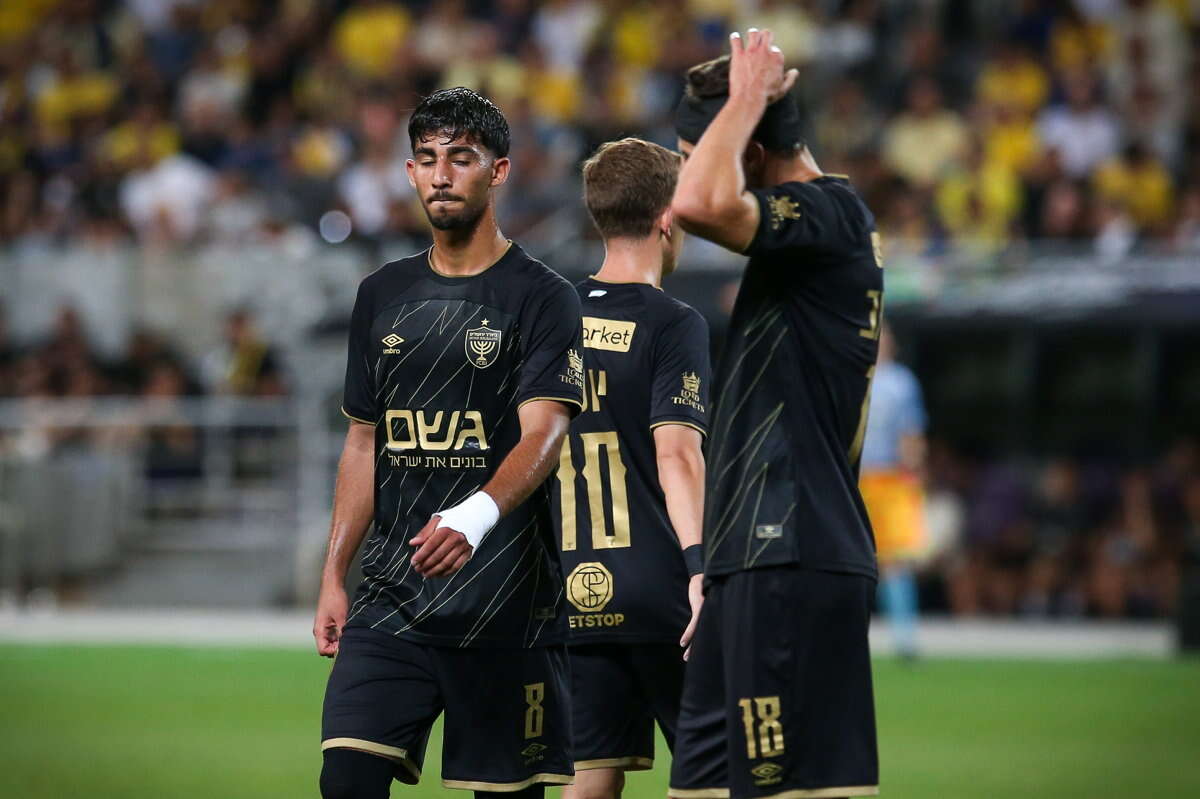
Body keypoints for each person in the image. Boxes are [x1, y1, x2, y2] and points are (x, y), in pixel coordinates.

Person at [312, 87, 585, 799]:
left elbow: (546, 431)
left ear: (498, 172)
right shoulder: (381, 293)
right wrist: (334, 573)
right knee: (345, 783)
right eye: (428, 159)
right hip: (390, 602)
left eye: (461, 158)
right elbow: (364, 442)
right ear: (409, 172)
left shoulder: (543, 296)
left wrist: (474, 515)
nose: (441, 175)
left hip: (506, 608)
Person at [668, 30, 882, 799]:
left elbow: (699, 202)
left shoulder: (832, 214)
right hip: (749, 557)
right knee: (699, 787)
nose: (683, 174)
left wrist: (745, 100)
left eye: (693, 153)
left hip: (790, 548)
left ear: (750, 154)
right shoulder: (802, 242)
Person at [552, 138, 711, 799]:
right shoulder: (673, 323)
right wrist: (701, 568)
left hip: (571, 584)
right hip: (659, 587)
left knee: (593, 774)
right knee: (717, 770)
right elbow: (677, 452)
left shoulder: (551, 316)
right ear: (667, 218)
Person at [859, 323, 928, 659]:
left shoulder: (901, 382)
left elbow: (911, 432)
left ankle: (904, 637)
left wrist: (913, 472)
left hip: (890, 479)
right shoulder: (850, 372)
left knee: (896, 559)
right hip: (855, 478)